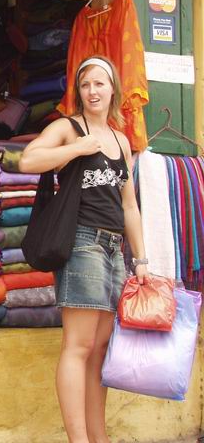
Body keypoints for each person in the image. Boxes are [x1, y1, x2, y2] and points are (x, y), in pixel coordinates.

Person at [19, 55, 148, 443]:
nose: (93, 91)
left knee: (100, 350)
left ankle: (98, 437)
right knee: (79, 346)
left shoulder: (121, 141)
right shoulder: (67, 127)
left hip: (113, 249)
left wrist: (141, 259)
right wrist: (76, 149)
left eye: (99, 83)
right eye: (86, 84)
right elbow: (28, 160)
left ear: (113, 89)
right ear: (78, 90)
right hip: (82, 242)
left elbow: (129, 206)